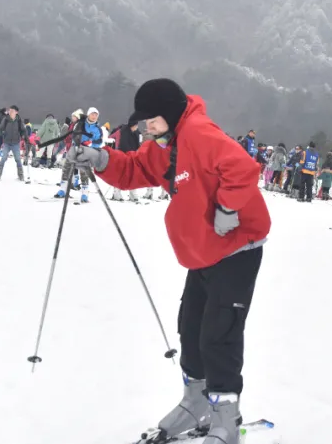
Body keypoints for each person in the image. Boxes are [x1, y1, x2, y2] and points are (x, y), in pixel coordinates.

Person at [66, 78, 270, 444]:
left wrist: (228, 207)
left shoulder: (199, 132)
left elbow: (242, 167)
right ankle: (195, 402)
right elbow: (134, 170)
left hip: (237, 248)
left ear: (171, 114)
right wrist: (99, 157)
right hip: (203, 251)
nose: (147, 128)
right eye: (143, 123)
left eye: (152, 121)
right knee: (190, 329)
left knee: (218, 334)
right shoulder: (167, 143)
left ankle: (226, 415)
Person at [0, 106, 26, 183]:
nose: (10, 112)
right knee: (3, 158)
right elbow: (0, 129)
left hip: (15, 143)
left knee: (18, 159)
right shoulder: (6, 119)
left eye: (12, 111)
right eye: (10, 110)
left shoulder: (19, 121)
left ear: (16, 112)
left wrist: (25, 136)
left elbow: (23, 130)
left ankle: (21, 175)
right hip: (7, 143)